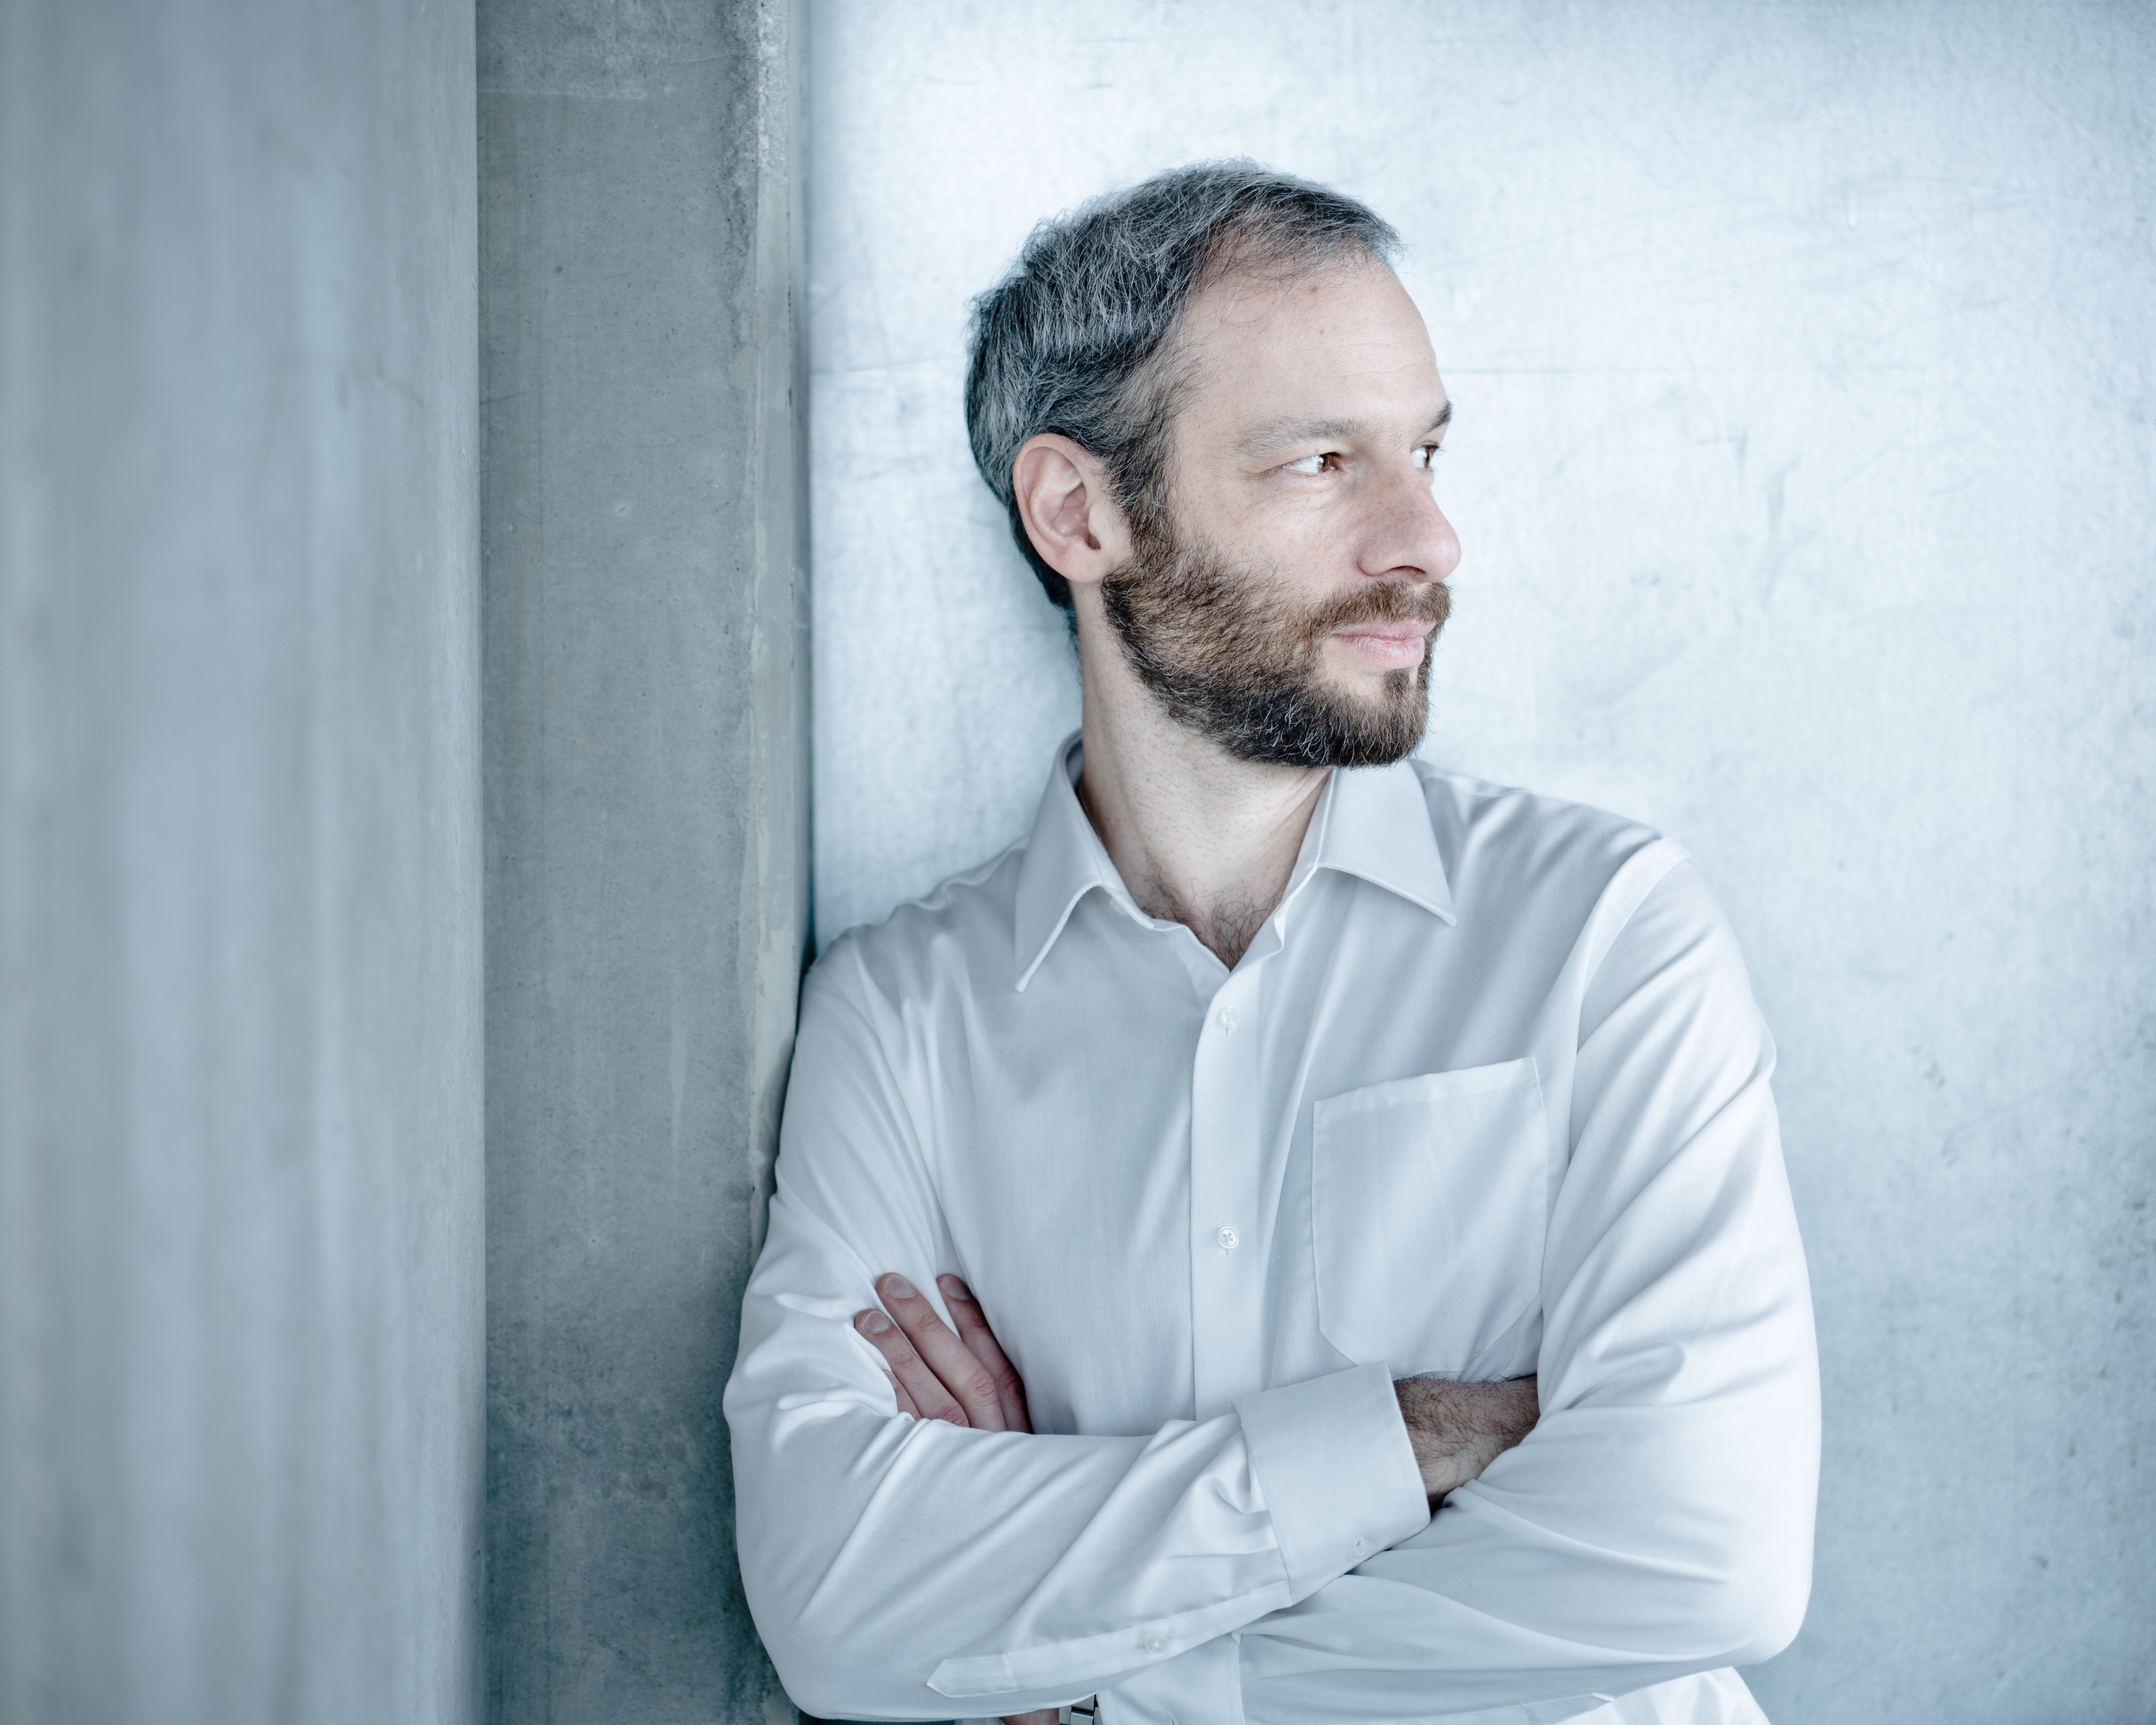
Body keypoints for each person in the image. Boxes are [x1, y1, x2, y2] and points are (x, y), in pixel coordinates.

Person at [724, 163, 1818, 1725]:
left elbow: (1705, 1555)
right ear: (1078, 511)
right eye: (1322, 461)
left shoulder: (1601, 935)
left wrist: (1099, 1673)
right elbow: (842, 1607)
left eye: (1425, 451)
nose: (1426, 538)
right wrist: (1404, 1438)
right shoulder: (901, 1020)